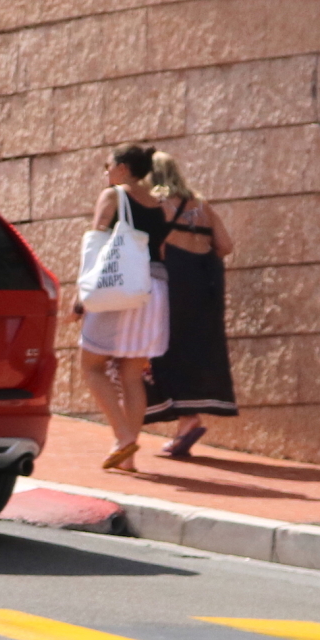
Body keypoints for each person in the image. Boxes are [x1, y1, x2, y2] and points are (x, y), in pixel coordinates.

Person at [78, 144, 172, 474]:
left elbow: (96, 244)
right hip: (153, 289)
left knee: (90, 364)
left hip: (118, 286)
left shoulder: (114, 196)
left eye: (108, 166)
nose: (106, 173)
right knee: (132, 373)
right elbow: (161, 249)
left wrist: (82, 295)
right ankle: (128, 456)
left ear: (122, 167)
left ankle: (122, 437)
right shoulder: (162, 203)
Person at [140, 150, 240, 459]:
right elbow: (225, 246)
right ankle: (187, 419)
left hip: (171, 285)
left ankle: (186, 419)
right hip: (203, 288)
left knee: (159, 349)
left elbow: (151, 247)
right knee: (195, 351)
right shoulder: (202, 206)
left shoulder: (156, 205)